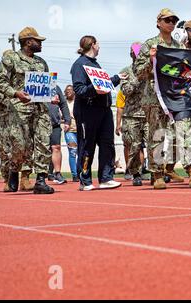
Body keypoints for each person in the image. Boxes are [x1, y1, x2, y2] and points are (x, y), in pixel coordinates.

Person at [134, 8, 191, 189]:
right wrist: (151, 60)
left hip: (176, 96)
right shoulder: (150, 44)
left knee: (185, 131)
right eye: (167, 20)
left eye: (173, 20)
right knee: (157, 135)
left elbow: (185, 72)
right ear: (158, 23)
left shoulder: (178, 47)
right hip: (155, 97)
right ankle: (157, 173)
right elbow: (138, 72)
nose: (171, 23)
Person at [0, 27, 54, 194]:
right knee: (20, 146)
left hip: (40, 108)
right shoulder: (11, 58)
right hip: (18, 109)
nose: (41, 43)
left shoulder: (41, 62)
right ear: (28, 42)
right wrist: (15, 93)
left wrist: (52, 96)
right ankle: (14, 171)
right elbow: (0, 81)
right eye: (38, 41)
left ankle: (41, 180)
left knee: (44, 142)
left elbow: (46, 85)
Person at [71, 35, 125, 191]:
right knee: (87, 146)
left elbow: (102, 83)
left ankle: (106, 178)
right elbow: (80, 89)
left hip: (104, 110)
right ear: (92, 45)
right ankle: (85, 180)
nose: (100, 47)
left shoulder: (95, 64)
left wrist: (116, 79)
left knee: (107, 144)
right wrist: (96, 88)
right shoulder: (79, 65)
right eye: (98, 44)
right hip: (87, 111)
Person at [117, 42, 150, 187]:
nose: (137, 55)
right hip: (132, 115)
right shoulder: (125, 71)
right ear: (131, 54)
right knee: (134, 146)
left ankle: (157, 173)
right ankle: (135, 173)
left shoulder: (151, 70)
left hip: (149, 114)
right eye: (134, 52)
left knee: (155, 144)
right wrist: (138, 78)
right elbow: (126, 91)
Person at [47, 85, 71, 185]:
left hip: (54, 123)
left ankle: (57, 173)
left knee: (56, 147)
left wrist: (67, 120)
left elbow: (63, 104)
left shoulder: (55, 87)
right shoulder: (33, 85)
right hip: (38, 123)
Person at [64, 85, 79, 182]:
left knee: (82, 153)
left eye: (70, 90)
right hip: (70, 130)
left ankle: (82, 171)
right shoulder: (63, 103)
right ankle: (75, 174)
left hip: (81, 130)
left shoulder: (79, 102)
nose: (68, 91)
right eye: (67, 90)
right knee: (73, 152)